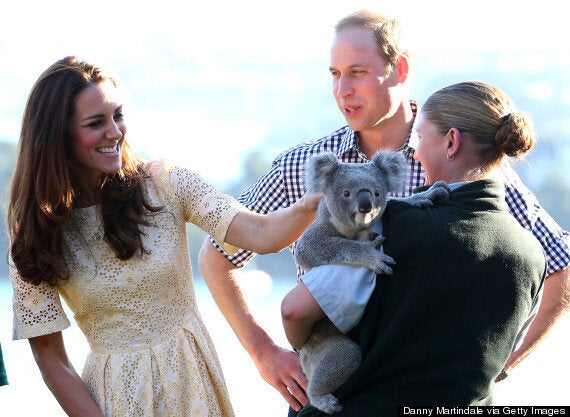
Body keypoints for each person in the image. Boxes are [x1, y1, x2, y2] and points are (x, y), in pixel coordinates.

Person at [197, 9, 569, 414]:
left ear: (400, 69)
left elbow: (561, 264)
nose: (343, 90)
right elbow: (217, 256)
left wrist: (501, 365)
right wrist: (264, 353)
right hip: (331, 395)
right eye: (334, 74)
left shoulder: (459, 160)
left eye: (357, 72)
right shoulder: (303, 167)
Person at [7, 56, 321, 417]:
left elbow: (262, 233)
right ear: (57, 134)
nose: (114, 132)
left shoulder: (166, 185)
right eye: (96, 123)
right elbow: (50, 357)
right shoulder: (35, 234)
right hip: (114, 401)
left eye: (117, 115)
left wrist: (315, 203)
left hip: (194, 386)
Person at [281, 81, 547, 415]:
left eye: (421, 138)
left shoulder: (391, 225)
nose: (416, 152)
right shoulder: (532, 255)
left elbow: (295, 310)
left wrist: (299, 349)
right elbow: (503, 360)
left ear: (452, 142)